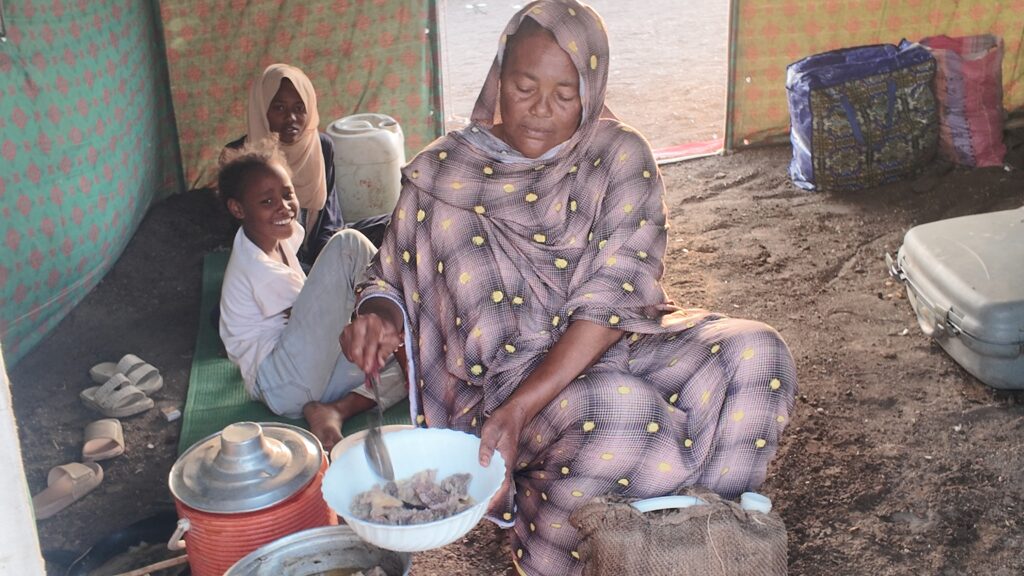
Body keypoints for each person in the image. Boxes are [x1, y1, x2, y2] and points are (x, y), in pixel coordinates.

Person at [340, 2, 797, 574]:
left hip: (618, 338)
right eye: (524, 87)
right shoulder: (441, 174)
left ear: (591, 91)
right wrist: (378, 315)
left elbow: (618, 292)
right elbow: (386, 275)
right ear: (498, 77)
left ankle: (701, 546)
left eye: (565, 94)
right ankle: (571, 557)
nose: (540, 110)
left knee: (757, 354)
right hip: (501, 383)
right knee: (624, 415)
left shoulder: (618, 156)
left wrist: (525, 409)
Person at [217, 140, 405, 452]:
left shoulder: (278, 239)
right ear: (238, 209)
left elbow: (319, 313)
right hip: (281, 381)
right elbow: (314, 312)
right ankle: (401, 320)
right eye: (267, 201)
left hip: (307, 379)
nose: (283, 206)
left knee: (414, 359)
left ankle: (335, 410)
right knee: (348, 245)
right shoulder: (254, 265)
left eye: (287, 194)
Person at [224, 63, 391, 267]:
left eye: (299, 108)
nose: (291, 118)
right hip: (272, 258)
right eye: (279, 108)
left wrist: (326, 259)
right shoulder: (239, 158)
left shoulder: (321, 146)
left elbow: (330, 218)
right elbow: (242, 233)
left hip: (319, 249)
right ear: (261, 108)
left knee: (396, 222)